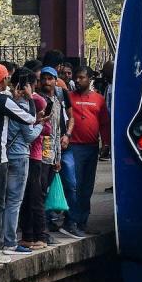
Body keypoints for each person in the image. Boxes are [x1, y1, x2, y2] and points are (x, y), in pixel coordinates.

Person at [0, 64, 37, 264]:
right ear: (2, 80)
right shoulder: (3, 100)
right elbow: (29, 119)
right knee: (1, 204)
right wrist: (28, 98)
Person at [61, 66, 110, 239]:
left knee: (87, 186)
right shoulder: (68, 97)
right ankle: (71, 221)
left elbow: (104, 123)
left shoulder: (99, 99)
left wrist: (106, 142)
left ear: (90, 79)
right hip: (73, 147)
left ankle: (83, 221)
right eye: (77, 77)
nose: (79, 80)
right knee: (74, 185)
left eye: (82, 77)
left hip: (91, 148)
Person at [4, 69, 43, 255]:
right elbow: (29, 135)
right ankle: (10, 241)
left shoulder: (7, 101)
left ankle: (2, 239)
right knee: (14, 201)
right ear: (28, 85)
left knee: (3, 201)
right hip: (19, 156)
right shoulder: (22, 106)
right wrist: (42, 125)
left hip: (6, 155)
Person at [38, 67, 71, 239]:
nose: (46, 82)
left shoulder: (57, 101)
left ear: (56, 80)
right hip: (39, 154)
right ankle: (41, 232)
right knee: (40, 192)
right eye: (44, 78)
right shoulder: (38, 100)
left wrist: (57, 157)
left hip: (52, 154)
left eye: (50, 78)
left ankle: (44, 230)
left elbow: (57, 131)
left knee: (45, 191)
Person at [19, 91, 50, 250]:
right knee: (26, 199)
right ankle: (28, 237)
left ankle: (41, 236)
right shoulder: (19, 100)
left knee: (35, 197)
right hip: (28, 156)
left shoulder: (36, 100)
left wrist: (38, 122)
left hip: (34, 156)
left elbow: (47, 129)